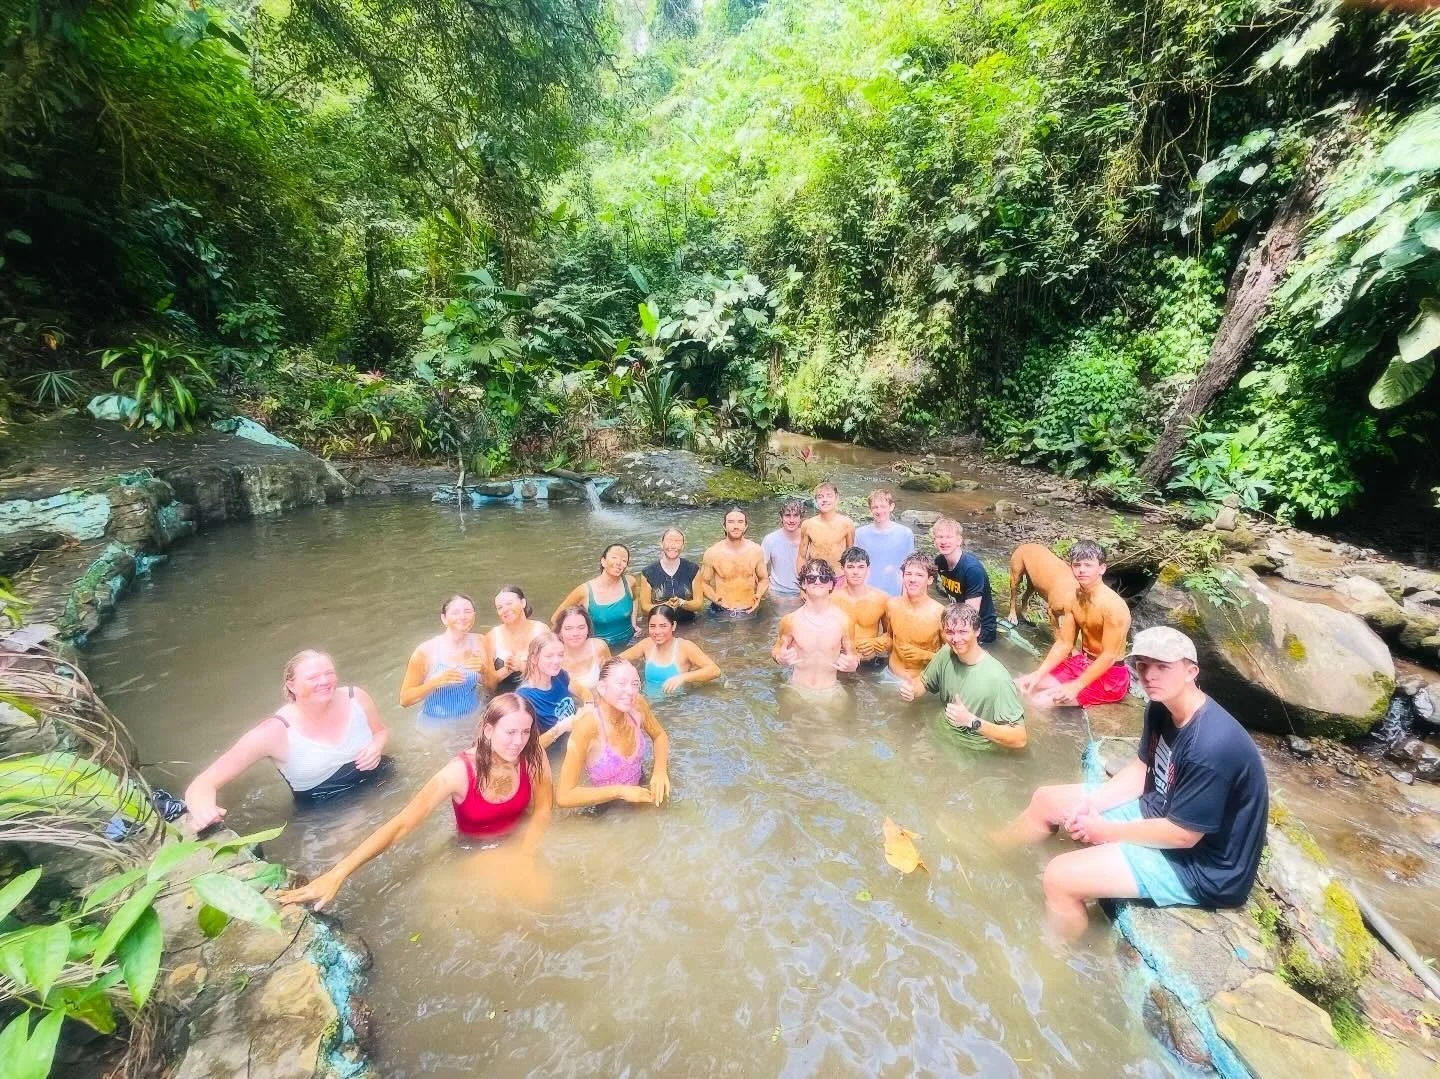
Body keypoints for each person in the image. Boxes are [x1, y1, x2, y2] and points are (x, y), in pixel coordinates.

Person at [997, 628, 1269, 940]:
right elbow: (1143, 769)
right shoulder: (1160, 706)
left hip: (1204, 866)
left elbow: (1183, 836)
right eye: (1142, 665)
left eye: (1162, 666)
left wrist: (1105, 831)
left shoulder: (1211, 744)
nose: (1149, 676)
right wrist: (1092, 805)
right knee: (1047, 800)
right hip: (1159, 810)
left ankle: (1054, 958)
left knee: (1058, 877)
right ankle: (990, 850)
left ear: (1191, 672)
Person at [279, 694, 553, 911]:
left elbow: (543, 808)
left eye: (525, 732)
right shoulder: (457, 773)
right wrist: (337, 873)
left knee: (543, 901)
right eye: (510, 732)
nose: (519, 742)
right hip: (475, 851)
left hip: (520, 842)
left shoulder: (533, 755)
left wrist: (526, 853)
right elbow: (401, 825)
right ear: (489, 730)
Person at [184, 651, 389, 830]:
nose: (325, 681)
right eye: (313, 677)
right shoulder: (274, 732)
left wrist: (376, 746)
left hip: (382, 781)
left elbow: (380, 731)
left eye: (329, 673)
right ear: (292, 685)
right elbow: (203, 783)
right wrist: (203, 811)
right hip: (327, 810)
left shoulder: (356, 697)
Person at [1016, 540, 1132, 708]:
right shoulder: (1073, 598)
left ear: (1102, 568)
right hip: (1081, 663)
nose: (1081, 570)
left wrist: (1076, 686)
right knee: (1022, 685)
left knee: (1039, 702)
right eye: (1077, 565)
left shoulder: (1114, 606)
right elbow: (1064, 643)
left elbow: (1109, 656)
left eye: (1088, 565)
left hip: (1110, 675)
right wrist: (1038, 674)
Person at [899, 604, 1026, 750]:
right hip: (938, 736)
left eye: (963, 631)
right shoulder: (946, 653)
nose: (956, 638)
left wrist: (972, 721)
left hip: (971, 751)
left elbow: (1020, 738)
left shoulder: (998, 678)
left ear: (977, 631)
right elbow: (924, 683)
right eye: (950, 632)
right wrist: (912, 690)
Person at [556, 658, 671, 809]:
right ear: (602, 688)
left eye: (635, 684)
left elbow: (659, 736)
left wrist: (660, 771)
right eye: (621, 683)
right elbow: (564, 796)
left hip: (640, 787)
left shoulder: (638, 705)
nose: (630, 691)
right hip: (605, 809)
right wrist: (620, 792)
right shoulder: (587, 727)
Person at [770, 558, 860, 693]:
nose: (818, 581)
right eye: (812, 578)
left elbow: (853, 656)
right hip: (796, 690)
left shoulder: (844, 621)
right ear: (804, 584)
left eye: (823, 577)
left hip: (829, 691)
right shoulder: (790, 620)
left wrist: (852, 664)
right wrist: (780, 658)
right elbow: (776, 650)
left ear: (831, 584)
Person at [398, 594, 485, 724]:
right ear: (444, 618)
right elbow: (404, 700)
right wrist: (436, 682)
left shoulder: (481, 641)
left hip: (473, 719)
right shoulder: (425, 651)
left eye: (467, 611)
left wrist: (485, 670)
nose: (462, 617)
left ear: (474, 615)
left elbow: (490, 684)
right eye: (455, 612)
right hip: (436, 725)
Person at [620, 606, 721, 697]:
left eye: (663, 626)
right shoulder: (647, 644)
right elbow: (616, 660)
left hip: (676, 705)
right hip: (649, 702)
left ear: (673, 626)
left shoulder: (685, 647)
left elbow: (714, 671)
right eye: (652, 626)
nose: (657, 632)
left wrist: (683, 677)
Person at [553, 544, 639, 650]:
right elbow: (556, 619)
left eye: (624, 560)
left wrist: (633, 622)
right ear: (603, 561)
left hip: (630, 644)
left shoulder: (630, 582)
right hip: (598, 651)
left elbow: (635, 599)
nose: (618, 563)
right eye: (614, 557)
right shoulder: (584, 591)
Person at [931, 517, 997, 644]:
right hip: (958, 617)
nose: (944, 541)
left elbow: (970, 615)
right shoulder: (939, 562)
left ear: (959, 540)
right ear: (934, 541)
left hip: (980, 628)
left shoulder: (972, 569)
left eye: (949, 537)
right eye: (940, 537)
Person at [885, 553, 945, 681]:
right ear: (903, 576)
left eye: (919, 575)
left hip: (922, 682)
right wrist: (875, 642)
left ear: (930, 580)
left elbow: (953, 656)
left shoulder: (940, 613)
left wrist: (925, 655)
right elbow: (890, 637)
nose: (912, 579)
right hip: (889, 675)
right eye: (908, 574)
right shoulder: (892, 605)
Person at [516, 633, 582, 748]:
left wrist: (589, 703)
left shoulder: (560, 675)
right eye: (549, 656)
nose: (557, 661)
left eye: (560, 655)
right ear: (534, 659)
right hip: (552, 755)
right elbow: (527, 748)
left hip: (574, 742)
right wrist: (561, 728)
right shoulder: (524, 698)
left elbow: (581, 690)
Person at [699, 508, 770, 616]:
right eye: (731, 522)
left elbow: (764, 579)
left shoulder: (756, 551)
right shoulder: (712, 553)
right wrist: (715, 599)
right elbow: (703, 583)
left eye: (740, 522)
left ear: (746, 526)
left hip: (750, 608)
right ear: (724, 526)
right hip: (721, 610)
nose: (735, 526)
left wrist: (758, 595)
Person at [483, 585, 549, 693]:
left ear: (523, 603)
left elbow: (551, 674)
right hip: (505, 698)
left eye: (509, 603)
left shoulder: (541, 630)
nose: (505, 609)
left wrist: (521, 666)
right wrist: (507, 669)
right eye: (500, 607)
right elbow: (489, 685)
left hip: (538, 695)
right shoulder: (491, 636)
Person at [832, 546, 890, 665]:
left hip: (870, 661)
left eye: (861, 567)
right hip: (840, 661)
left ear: (868, 569)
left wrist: (876, 642)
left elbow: (890, 635)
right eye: (850, 567)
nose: (856, 572)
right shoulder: (831, 599)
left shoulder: (882, 599)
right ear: (842, 569)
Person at [854, 488, 915, 597]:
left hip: (895, 592)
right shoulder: (860, 533)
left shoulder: (905, 533)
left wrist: (906, 596)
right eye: (875, 507)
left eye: (883, 506)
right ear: (870, 509)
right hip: (868, 593)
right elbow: (856, 566)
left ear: (891, 507)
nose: (879, 511)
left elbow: (910, 568)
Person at [636, 528, 704, 623]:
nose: (673, 545)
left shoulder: (693, 569)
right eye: (669, 541)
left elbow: (699, 604)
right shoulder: (648, 572)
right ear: (661, 544)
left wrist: (682, 602)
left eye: (677, 541)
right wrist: (664, 606)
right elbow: (645, 607)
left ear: (683, 546)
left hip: (688, 623)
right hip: (660, 626)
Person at [1007, 542, 1077, 629]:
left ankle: (1024, 606)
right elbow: (1052, 611)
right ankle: (1012, 607)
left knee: (1031, 587)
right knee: (1015, 583)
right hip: (1023, 554)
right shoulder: (1062, 600)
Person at [551, 604, 610, 699]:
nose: (575, 633)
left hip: (596, 703)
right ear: (559, 632)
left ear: (588, 629)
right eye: (568, 628)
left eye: (581, 627)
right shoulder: (551, 655)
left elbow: (611, 681)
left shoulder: (599, 647)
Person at [795, 481, 855, 574]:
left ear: (837, 498)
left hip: (839, 577)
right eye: (820, 497)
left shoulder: (847, 524)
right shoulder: (808, 525)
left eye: (829, 496)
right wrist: (802, 581)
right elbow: (801, 556)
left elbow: (851, 555)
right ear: (815, 500)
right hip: (816, 577)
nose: (825, 500)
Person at [761, 499, 804, 597]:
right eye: (787, 515)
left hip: (803, 592)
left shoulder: (808, 538)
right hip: (777, 592)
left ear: (801, 518)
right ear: (781, 517)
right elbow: (760, 567)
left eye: (796, 515)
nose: (791, 520)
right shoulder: (770, 539)